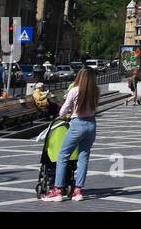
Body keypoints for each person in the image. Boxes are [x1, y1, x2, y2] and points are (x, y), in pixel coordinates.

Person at [42, 67, 99, 202]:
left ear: (80, 76)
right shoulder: (95, 91)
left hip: (77, 124)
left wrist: (62, 115)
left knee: (63, 155)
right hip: (91, 124)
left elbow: (63, 110)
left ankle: (58, 190)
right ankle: (78, 191)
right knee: (83, 157)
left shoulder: (74, 90)